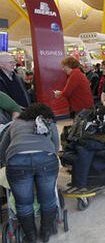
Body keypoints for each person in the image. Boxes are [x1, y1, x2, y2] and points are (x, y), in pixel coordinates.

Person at [0, 104, 60, 243]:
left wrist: (7, 163)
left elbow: (2, 149)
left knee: (23, 204)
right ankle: (46, 232)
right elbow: (56, 146)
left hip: (17, 161)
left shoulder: (14, 124)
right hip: (46, 159)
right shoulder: (48, 122)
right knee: (48, 199)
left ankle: (30, 236)